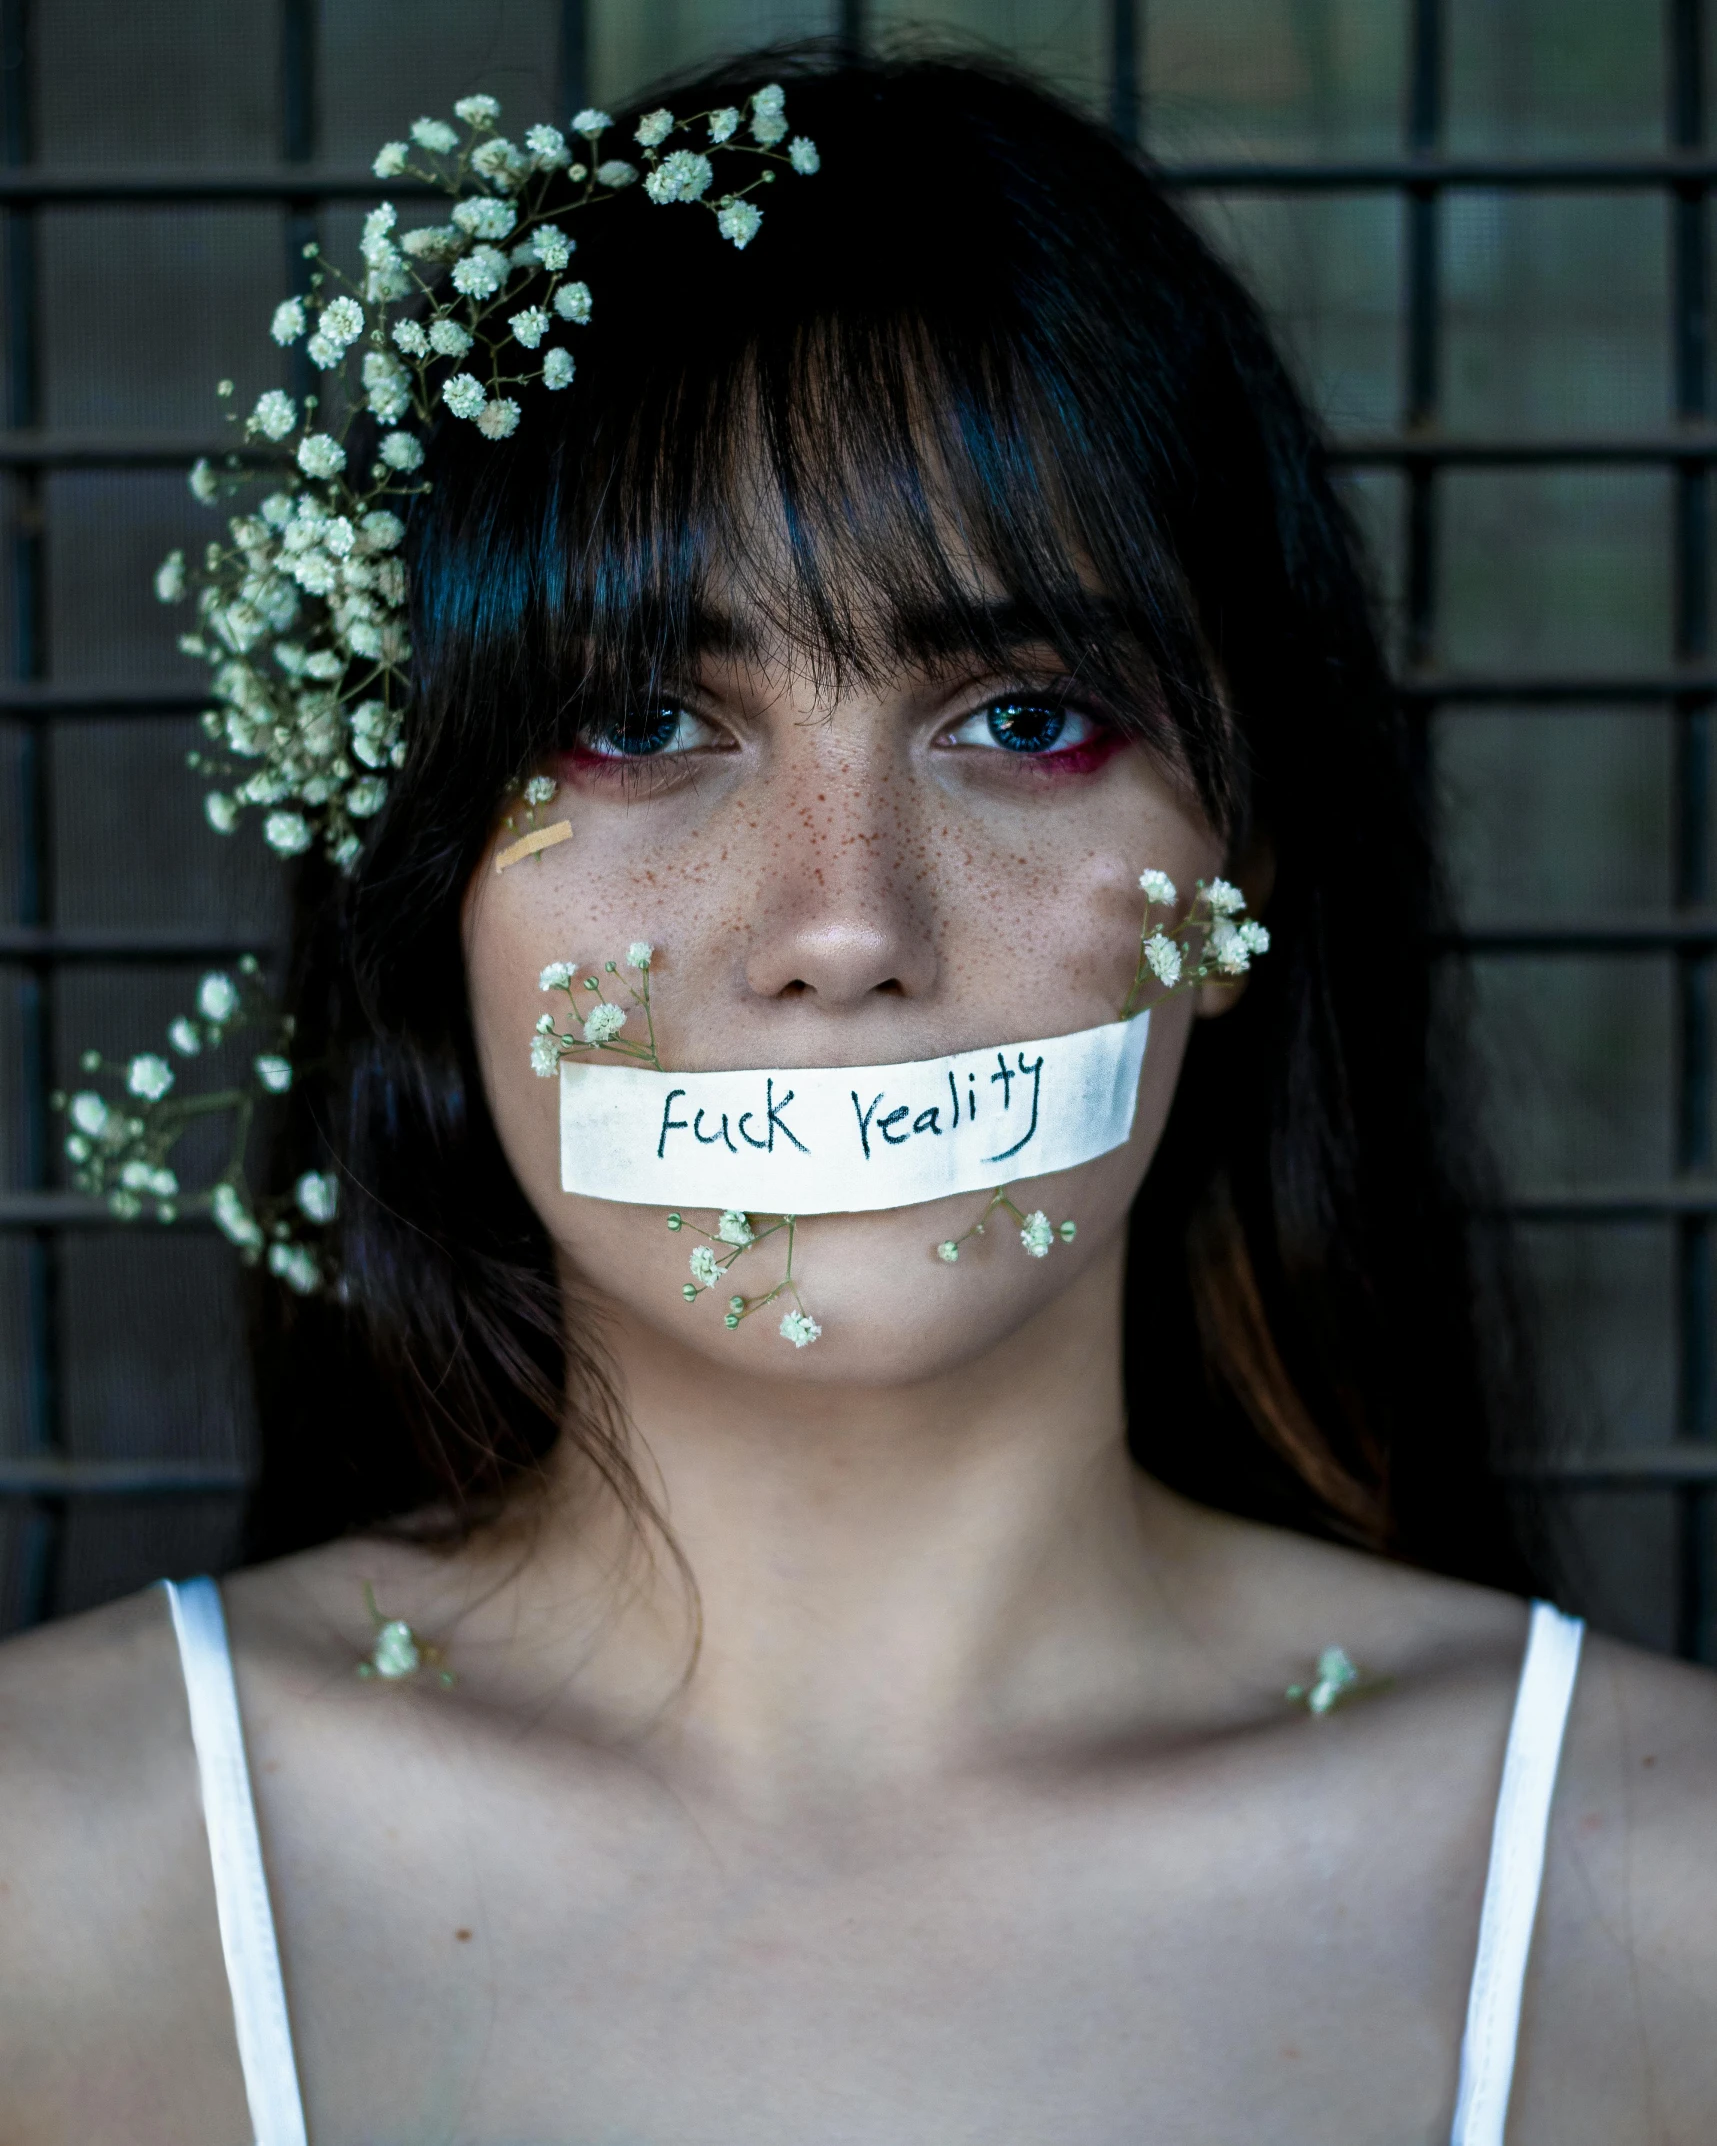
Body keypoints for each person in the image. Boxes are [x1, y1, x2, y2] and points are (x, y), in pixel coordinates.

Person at [2, 50, 1713, 2146]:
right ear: (430, 874)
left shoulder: (1662, 1898)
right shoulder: (48, 1880)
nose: (843, 922)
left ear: (1243, 861)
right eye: (641, 720)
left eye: (1027, 717)